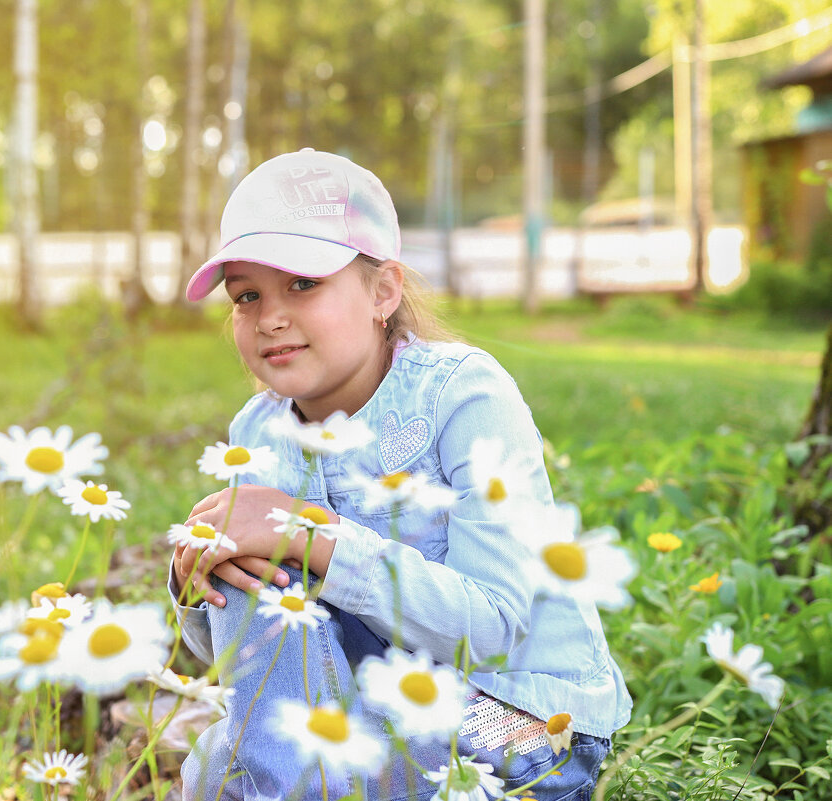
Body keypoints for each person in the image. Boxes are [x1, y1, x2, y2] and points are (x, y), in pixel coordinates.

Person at [167, 148, 631, 801]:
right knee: (222, 754)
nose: (269, 315)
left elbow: (496, 628)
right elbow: (247, 653)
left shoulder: (462, 396)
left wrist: (312, 533)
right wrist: (198, 576)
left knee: (232, 766)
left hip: (518, 723)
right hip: (368, 708)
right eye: (247, 295)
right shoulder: (256, 432)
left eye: (302, 284)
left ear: (382, 291)